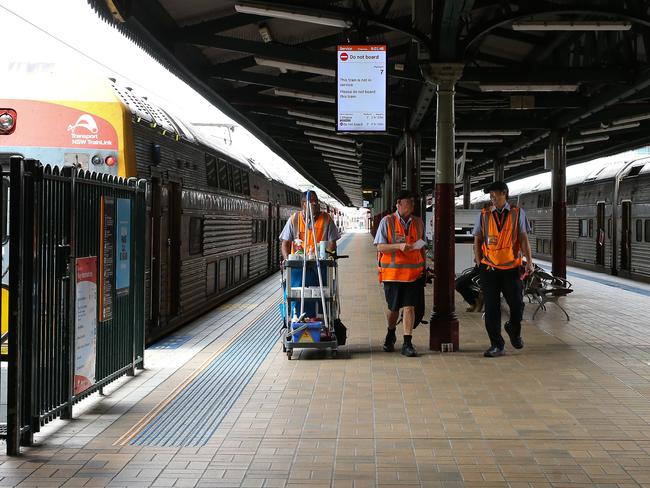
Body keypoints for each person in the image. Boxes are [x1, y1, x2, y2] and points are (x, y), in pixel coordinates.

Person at [473, 181, 534, 358]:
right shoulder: (483, 215)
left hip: (511, 268)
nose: (492, 197)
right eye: (490, 194)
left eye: (495, 194)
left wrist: (529, 261)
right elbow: (477, 240)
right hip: (489, 268)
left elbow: (523, 239)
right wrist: (479, 262)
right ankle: (496, 345)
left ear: (504, 194)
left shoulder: (517, 213)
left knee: (517, 305)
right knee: (492, 308)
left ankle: (513, 328)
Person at [373, 190, 426, 357]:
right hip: (393, 275)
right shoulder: (386, 221)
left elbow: (422, 246)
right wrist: (399, 246)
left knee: (409, 307)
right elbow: (380, 246)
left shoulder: (418, 222)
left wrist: (424, 267)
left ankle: (407, 343)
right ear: (398, 203)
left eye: (413, 202)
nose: (412, 205)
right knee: (393, 308)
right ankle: (390, 332)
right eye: (408, 202)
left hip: (413, 274)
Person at [279, 190, 340, 260]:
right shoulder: (294, 219)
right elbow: (285, 243)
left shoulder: (327, 219)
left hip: (320, 264)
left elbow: (332, 243)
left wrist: (326, 259)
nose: (315, 203)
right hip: (297, 264)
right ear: (303, 204)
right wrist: (287, 261)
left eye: (316, 201)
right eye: (311, 201)